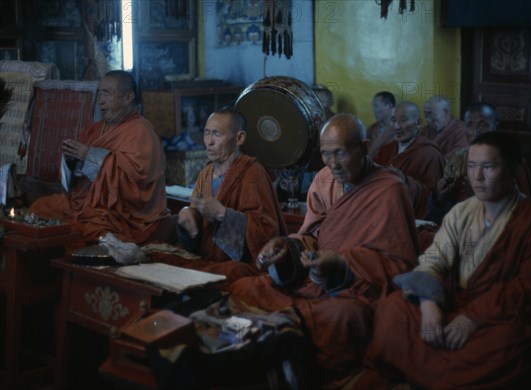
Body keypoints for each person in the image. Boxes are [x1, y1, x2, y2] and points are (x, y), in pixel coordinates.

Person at [362, 131, 531, 389]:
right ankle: (437, 375)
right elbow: (433, 260)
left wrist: (474, 318)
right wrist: (428, 306)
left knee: (509, 343)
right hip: (454, 304)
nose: (477, 177)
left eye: (488, 167)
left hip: (497, 318)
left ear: (513, 169)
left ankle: (426, 376)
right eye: (472, 167)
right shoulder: (463, 211)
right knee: (393, 309)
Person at [228, 113, 419, 385]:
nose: (332, 164)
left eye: (340, 153)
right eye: (326, 154)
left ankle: (292, 363)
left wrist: (343, 263)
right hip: (310, 278)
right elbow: (311, 236)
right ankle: (267, 355)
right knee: (244, 288)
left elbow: (400, 264)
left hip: (355, 289)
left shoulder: (389, 189)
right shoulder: (324, 179)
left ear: (364, 148)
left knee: (340, 317)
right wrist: (286, 247)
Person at [30, 70, 171, 244]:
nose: (101, 100)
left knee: (93, 230)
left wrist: (89, 155)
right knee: (39, 209)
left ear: (129, 97)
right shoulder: (94, 129)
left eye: (108, 93)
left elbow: (135, 183)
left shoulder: (142, 131)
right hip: (82, 203)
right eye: (99, 93)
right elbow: (75, 179)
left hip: (116, 211)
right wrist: (72, 160)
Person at [177, 108, 287, 270]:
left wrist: (222, 213)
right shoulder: (205, 174)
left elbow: (265, 232)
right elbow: (197, 235)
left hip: (240, 264)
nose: (209, 141)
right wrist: (188, 219)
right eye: (207, 133)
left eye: (217, 134)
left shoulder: (252, 173)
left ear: (239, 138)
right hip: (206, 258)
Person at [426, 102, 531, 224]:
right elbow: (442, 213)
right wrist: (439, 197)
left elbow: (518, 214)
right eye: (470, 125)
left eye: (483, 125)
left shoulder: (509, 162)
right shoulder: (458, 158)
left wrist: (479, 197)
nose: (475, 132)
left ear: (496, 128)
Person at [373, 101, 445, 219]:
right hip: (383, 212)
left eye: (403, 120)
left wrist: (402, 180)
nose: (396, 126)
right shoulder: (387, 149)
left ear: (418, 123)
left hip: (413, 218)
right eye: (393, 120)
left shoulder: (430, 154)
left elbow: (434, 199)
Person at [423, 95, 469, 160]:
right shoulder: (426, 129)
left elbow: (456, 158)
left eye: (431, 114)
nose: (428, 120)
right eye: (426, 114)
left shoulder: (461, 131)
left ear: (445, 112)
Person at [366, 91, 396, 157]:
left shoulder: (400, 128)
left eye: (376, 106)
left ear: (390, 106)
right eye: (373, 107)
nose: (374, 110)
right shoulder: (372, 129)